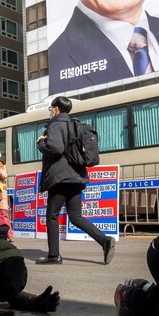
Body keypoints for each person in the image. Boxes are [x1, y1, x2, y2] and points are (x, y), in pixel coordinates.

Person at [36, 96, 115, 265]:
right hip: (76, 177)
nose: (50, 111)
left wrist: (42, 144)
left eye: (51, 108)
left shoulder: (55, 125)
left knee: (52, 216)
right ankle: (104, 240)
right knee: (76, 217)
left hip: (60, 178)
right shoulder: (75, 125)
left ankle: (53, 255)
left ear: (56, 109)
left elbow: (56, 148)